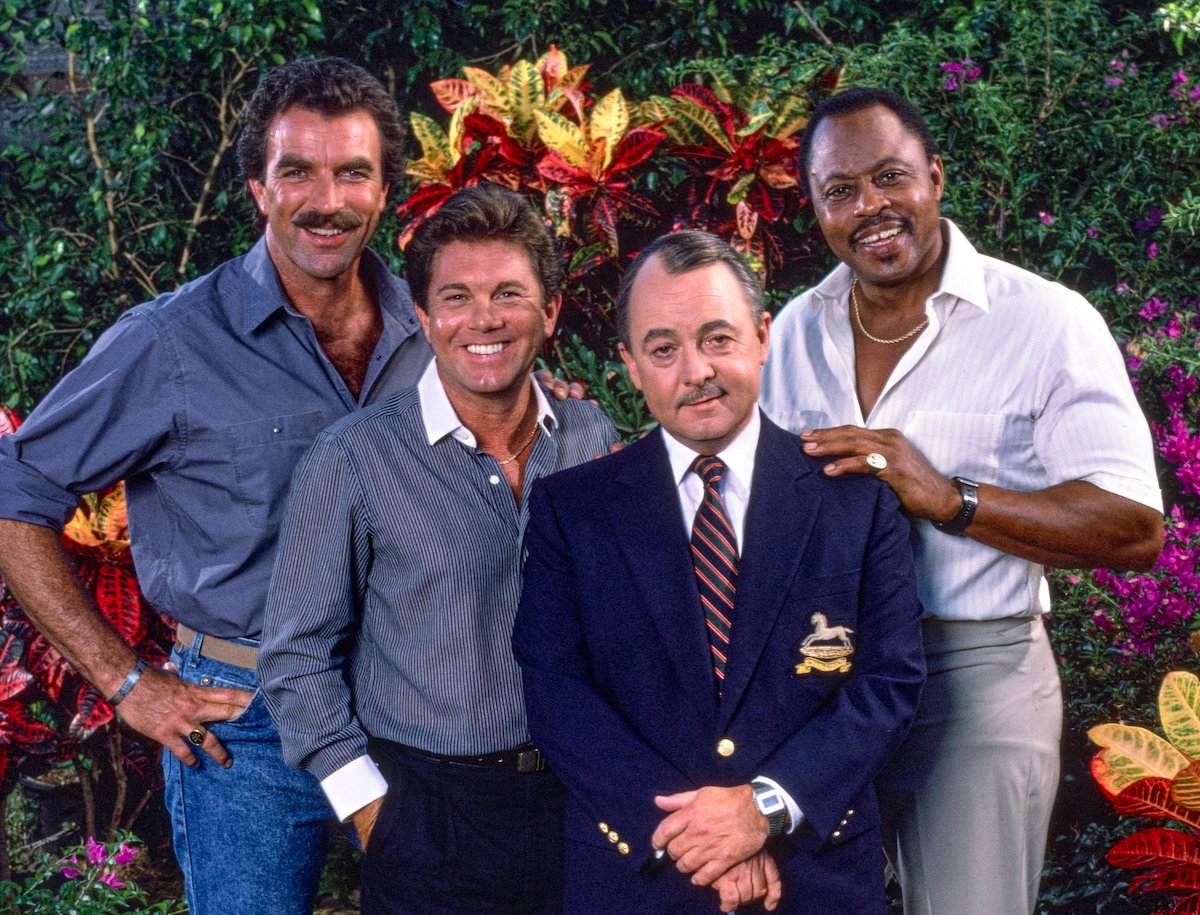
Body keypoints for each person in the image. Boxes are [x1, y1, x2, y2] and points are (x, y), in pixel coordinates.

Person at [0, 58, 434, 913]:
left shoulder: (432, 330)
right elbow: (16, 491)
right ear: (257, 189)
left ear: (385, 192)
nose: (327, 200)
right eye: (297, 172)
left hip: (410, 704)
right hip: (244, 721)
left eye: (353, 173)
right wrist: (125, 680)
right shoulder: (171, 342)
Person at [759, 87, 1165, 915]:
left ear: (935, 178)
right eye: (840, 190)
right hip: (825, 677)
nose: (870, 206)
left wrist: (951, 498)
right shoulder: (795, 329)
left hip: (975, 673)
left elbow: (1134, 527)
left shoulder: (1046, 322)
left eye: (890, 177)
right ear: (817, 211)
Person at [512, 229, 926, 914]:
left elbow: (889, 682)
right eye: (663, 349)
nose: (696, 370)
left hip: (814, 874)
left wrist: (764, 809)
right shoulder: (571, 509)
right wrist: (700, 836)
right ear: (630, 365)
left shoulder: (856, 499)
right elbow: (559, 693)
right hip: (642, 877)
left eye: (717, 338)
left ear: (762, 336)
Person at [258, 183, 618, 915]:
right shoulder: (352, 459)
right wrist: (374, 816)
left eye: (509, 294)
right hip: (430, 815)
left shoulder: (590, 437)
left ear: (550, 311)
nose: (484, 319)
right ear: (424, 318)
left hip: (582, 803)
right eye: (456, 297)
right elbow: (294, 657)